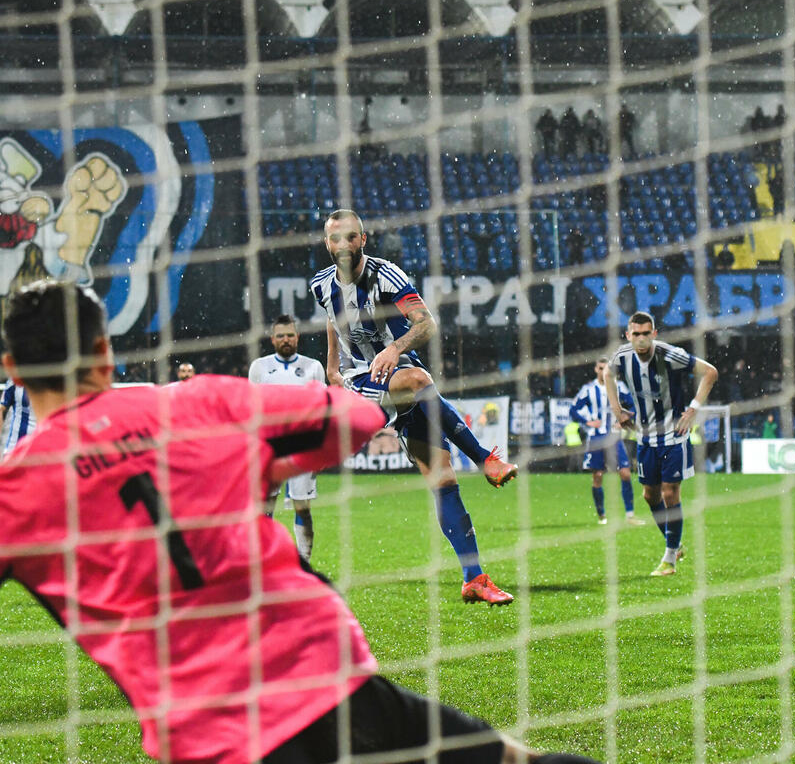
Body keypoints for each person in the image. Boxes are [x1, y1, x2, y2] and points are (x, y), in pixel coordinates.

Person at [0, 280, 598, 764]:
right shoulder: (195, 403)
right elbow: (351, 419)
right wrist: (259, 459)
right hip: (326, 670)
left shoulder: (16, 490)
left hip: (210, 731)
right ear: (104, 351)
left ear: (13, 370)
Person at [311, 209, 517, 605]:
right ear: (327, 243)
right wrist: (332, 367)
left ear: (363, 240)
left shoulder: (387, 275)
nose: (343, 245)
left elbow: (426, 324)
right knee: (420, 380)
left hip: (397, 374)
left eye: (351, 237)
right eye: (335, 238)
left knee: (444, 482)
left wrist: (393, 348)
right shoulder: (321, 284)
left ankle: (474, 578)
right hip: (361, 380)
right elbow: (331, 320)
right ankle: (484, 460)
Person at [605, 311, 718, 575]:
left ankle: (669, 559)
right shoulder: (622, 357)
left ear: (654, 334)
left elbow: (710, 373)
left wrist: (693, 409)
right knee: (650, 496)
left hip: (673, 435)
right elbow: (608, 374)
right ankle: (675, 544)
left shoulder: (670, 355)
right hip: (645, 437)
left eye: (646, 333)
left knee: (670, 493)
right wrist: (617, 410)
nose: (641, 339)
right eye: (636, 334)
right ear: (628, 335)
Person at [248, 314, 326, 560]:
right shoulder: (259, 367)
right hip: (270, 446)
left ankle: (304, 561)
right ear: (272, 339)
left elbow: (323, 410)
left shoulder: (313, 367)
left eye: (290, 335)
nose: (285, 340)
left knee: (302, 508)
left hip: (303, 446)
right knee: (265, 508)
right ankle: (265, 561)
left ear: (297, 337)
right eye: (280, 336)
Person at [570, 359, 646, 527]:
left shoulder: (619, 386)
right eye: (600, 368)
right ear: (596, 369)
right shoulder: (588, 389)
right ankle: (601, 514)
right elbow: (573, 410)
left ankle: (630, 515)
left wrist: (624, 418)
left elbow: (634, 405)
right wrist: (587, 422)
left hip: (614, 437)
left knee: (625, 473)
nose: (603, 371)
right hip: (596, 437)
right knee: (597, 476)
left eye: (606, 368)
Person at [0, 377, 34, 455]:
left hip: (42, 448)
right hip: (14, 447)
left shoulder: (50, 380)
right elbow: (1, 408)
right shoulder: (14, 380)